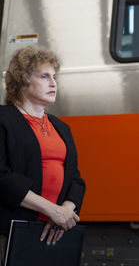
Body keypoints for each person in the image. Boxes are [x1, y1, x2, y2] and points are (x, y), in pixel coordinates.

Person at [0, 45, 86, 263]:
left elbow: (75, 179)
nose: (53, 83)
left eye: (55, 77)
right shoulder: (4, 119)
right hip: (12, 229)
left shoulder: (61, 127)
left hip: (54, 231)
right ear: (22, 80)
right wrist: (52, 210)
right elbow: (2, 177)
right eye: (45, 76)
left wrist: (65, 212)